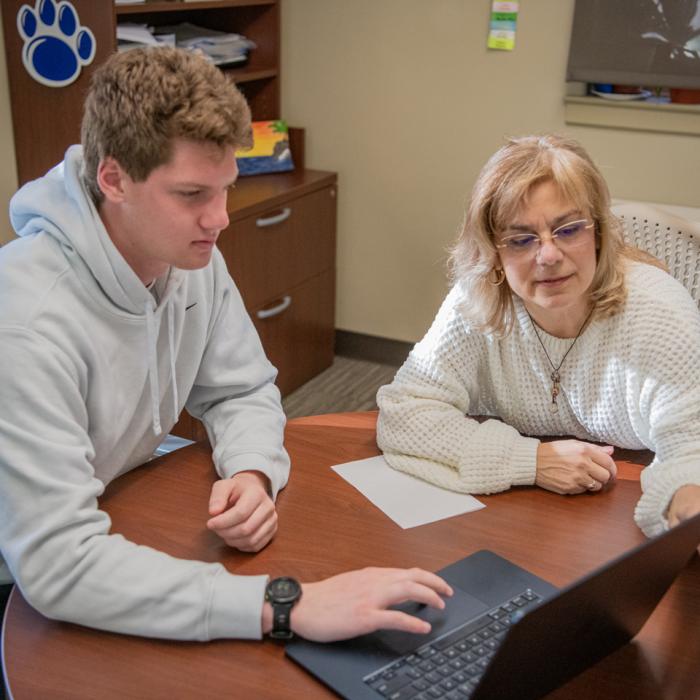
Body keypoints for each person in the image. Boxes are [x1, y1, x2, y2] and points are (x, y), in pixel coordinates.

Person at [0, 46, 452, 653]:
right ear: (114, 179)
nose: (220, 219)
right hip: (19, 575)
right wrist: (286, 604)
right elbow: (57, 566)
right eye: (191, 194)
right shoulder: (25, 323)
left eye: (225, 189)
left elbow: (240, 387)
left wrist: (251, 468)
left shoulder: (183, 254)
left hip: (107, 501)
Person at [377, 134, 700, 539]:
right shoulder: (477, 301)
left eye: (567, 230)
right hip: (513, 518)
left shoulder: (658, 313)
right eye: (522, 239)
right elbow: (405, 411)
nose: (547, 256)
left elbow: (691, 449)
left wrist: (686, 505)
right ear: (494, 253)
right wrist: (530, 461)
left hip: (620, 515)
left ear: (598, 233)